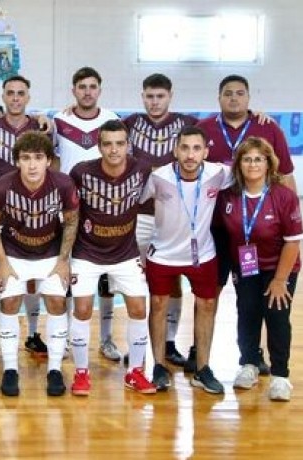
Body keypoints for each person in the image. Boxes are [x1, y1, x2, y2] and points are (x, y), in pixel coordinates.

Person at [197, 74, 297, 375]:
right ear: (219, 98)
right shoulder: (204, 129)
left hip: (254, 234)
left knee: (255, 299)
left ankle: (255, 357)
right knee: (211, 293)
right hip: (214, 228)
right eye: (228, 93)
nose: (234, 98)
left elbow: (287, 176)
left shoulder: (267, 128)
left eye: (240, 93)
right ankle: (200, 352)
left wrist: (292, 220)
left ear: (249, 98)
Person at [0, 131, 77, 397]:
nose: (32, 164)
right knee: (10, 303)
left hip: (50, 251)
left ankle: (55, 369)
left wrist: (62, 261)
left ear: (49, 160)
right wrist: (1, 262)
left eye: (38, 158)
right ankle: (11, 368)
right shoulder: (2, 186)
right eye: (25, 158)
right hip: (13, 251)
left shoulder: (63, 183)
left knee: (57, 302)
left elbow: (71, 220)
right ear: (17, 161)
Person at [140, 126, 233, 394]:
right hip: (163, 253)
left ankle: (202, 368)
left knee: (206, 305)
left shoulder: (218, 173)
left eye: (196, 149)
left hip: (202, 254)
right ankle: (158, 365)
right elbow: (137, 201)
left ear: (205, 151)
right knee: (158, 304)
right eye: (184, 148)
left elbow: (253, 172)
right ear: (175, 150)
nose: (190, 155)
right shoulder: (159, 177)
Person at [68, 120, 157, 395]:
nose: (114, 149)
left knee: (139, 309)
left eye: (120, 143)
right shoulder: (81, 172)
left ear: (128, 145)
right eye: (107, 144)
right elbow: (70, 211)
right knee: (82, 309)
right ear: (99, 146)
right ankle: (81, 374)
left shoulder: (142, 170)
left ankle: (136, 372)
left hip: (125, 252)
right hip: (87, 252)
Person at [213, 137, 303, 401]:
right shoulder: (228, 197)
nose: (253, 164)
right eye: (247, 158)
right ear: (238, 164)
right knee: (247, 313)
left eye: (258, 159)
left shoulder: (283, 196)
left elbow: (293, 241)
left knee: (277, 317)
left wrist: (279, 280)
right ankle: (249, 365)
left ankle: (280, 376)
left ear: (268, 163)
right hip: (246, 266)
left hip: (279, 268)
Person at [122, 73, 199, 368]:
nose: (155, 102)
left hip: (174, 214)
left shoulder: (187, 124)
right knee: (138, 279)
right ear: (143, 97)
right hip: (139, 215)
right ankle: (140, 341)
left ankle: (168, 343)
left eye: (160, 96)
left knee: (174, 278)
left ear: (170, 96)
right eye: (150, 96)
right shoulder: (130, 124)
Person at [0, 75, 50, 357]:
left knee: (30, 273)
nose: (16, 97)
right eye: (11, 93)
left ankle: (32, 334)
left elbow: (52, 163)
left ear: (28, 97)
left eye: (21, 93)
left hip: (33, 210)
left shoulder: (40, 127)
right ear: (3, 96)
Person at [52, 66, 121, 362]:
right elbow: (51, 159)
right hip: (69, 209)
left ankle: (106, 339)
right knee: (67, 273)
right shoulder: (58, 120)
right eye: (82, 86)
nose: (87, 91)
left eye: (93, 86)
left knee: (106, 279)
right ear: (74, 90)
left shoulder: (112, 120)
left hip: (106, 208)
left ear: (100, 90)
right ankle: (66, 337)